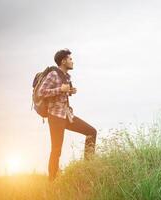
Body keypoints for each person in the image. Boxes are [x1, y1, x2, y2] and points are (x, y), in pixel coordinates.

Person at [38, 48, 97, 182]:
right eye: (70, 59)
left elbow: (61, 93)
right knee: (56, 150)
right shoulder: (53, 74)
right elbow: (41, 92)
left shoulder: (66, 76)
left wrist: (69, 91)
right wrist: (60, 89)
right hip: (55, 117)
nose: (72, 61)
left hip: (67, 116)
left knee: (91, 132)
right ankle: (52, 182)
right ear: (63, 61)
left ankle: (89, 166)